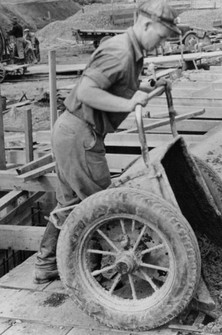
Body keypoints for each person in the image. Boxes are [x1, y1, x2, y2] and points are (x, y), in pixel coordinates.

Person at [33, 0, 181, 284]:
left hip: (71, 132)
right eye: (161, 37)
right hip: (80, 135)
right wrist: (128, 105)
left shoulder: (129, 50)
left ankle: (46, 264)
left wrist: (142, 87)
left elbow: (113, 82)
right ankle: (87, 276)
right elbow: (88, 91)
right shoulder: (120, 52)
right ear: (146, 24)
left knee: (70, 204)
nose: (160, 45)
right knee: (103, 206)